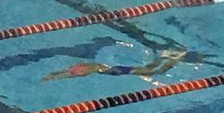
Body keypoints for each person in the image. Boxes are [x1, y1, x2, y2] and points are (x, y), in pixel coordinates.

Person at [43, 48, 197, 82]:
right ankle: (166, 56)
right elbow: (66, 73)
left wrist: (53, 77)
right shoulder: (82, 66)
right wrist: (53, 76)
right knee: (150, 69)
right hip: (115, 69)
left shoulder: (80, 70)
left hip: (117, 71)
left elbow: (67, 74)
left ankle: (174, 59)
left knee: (154, 72)